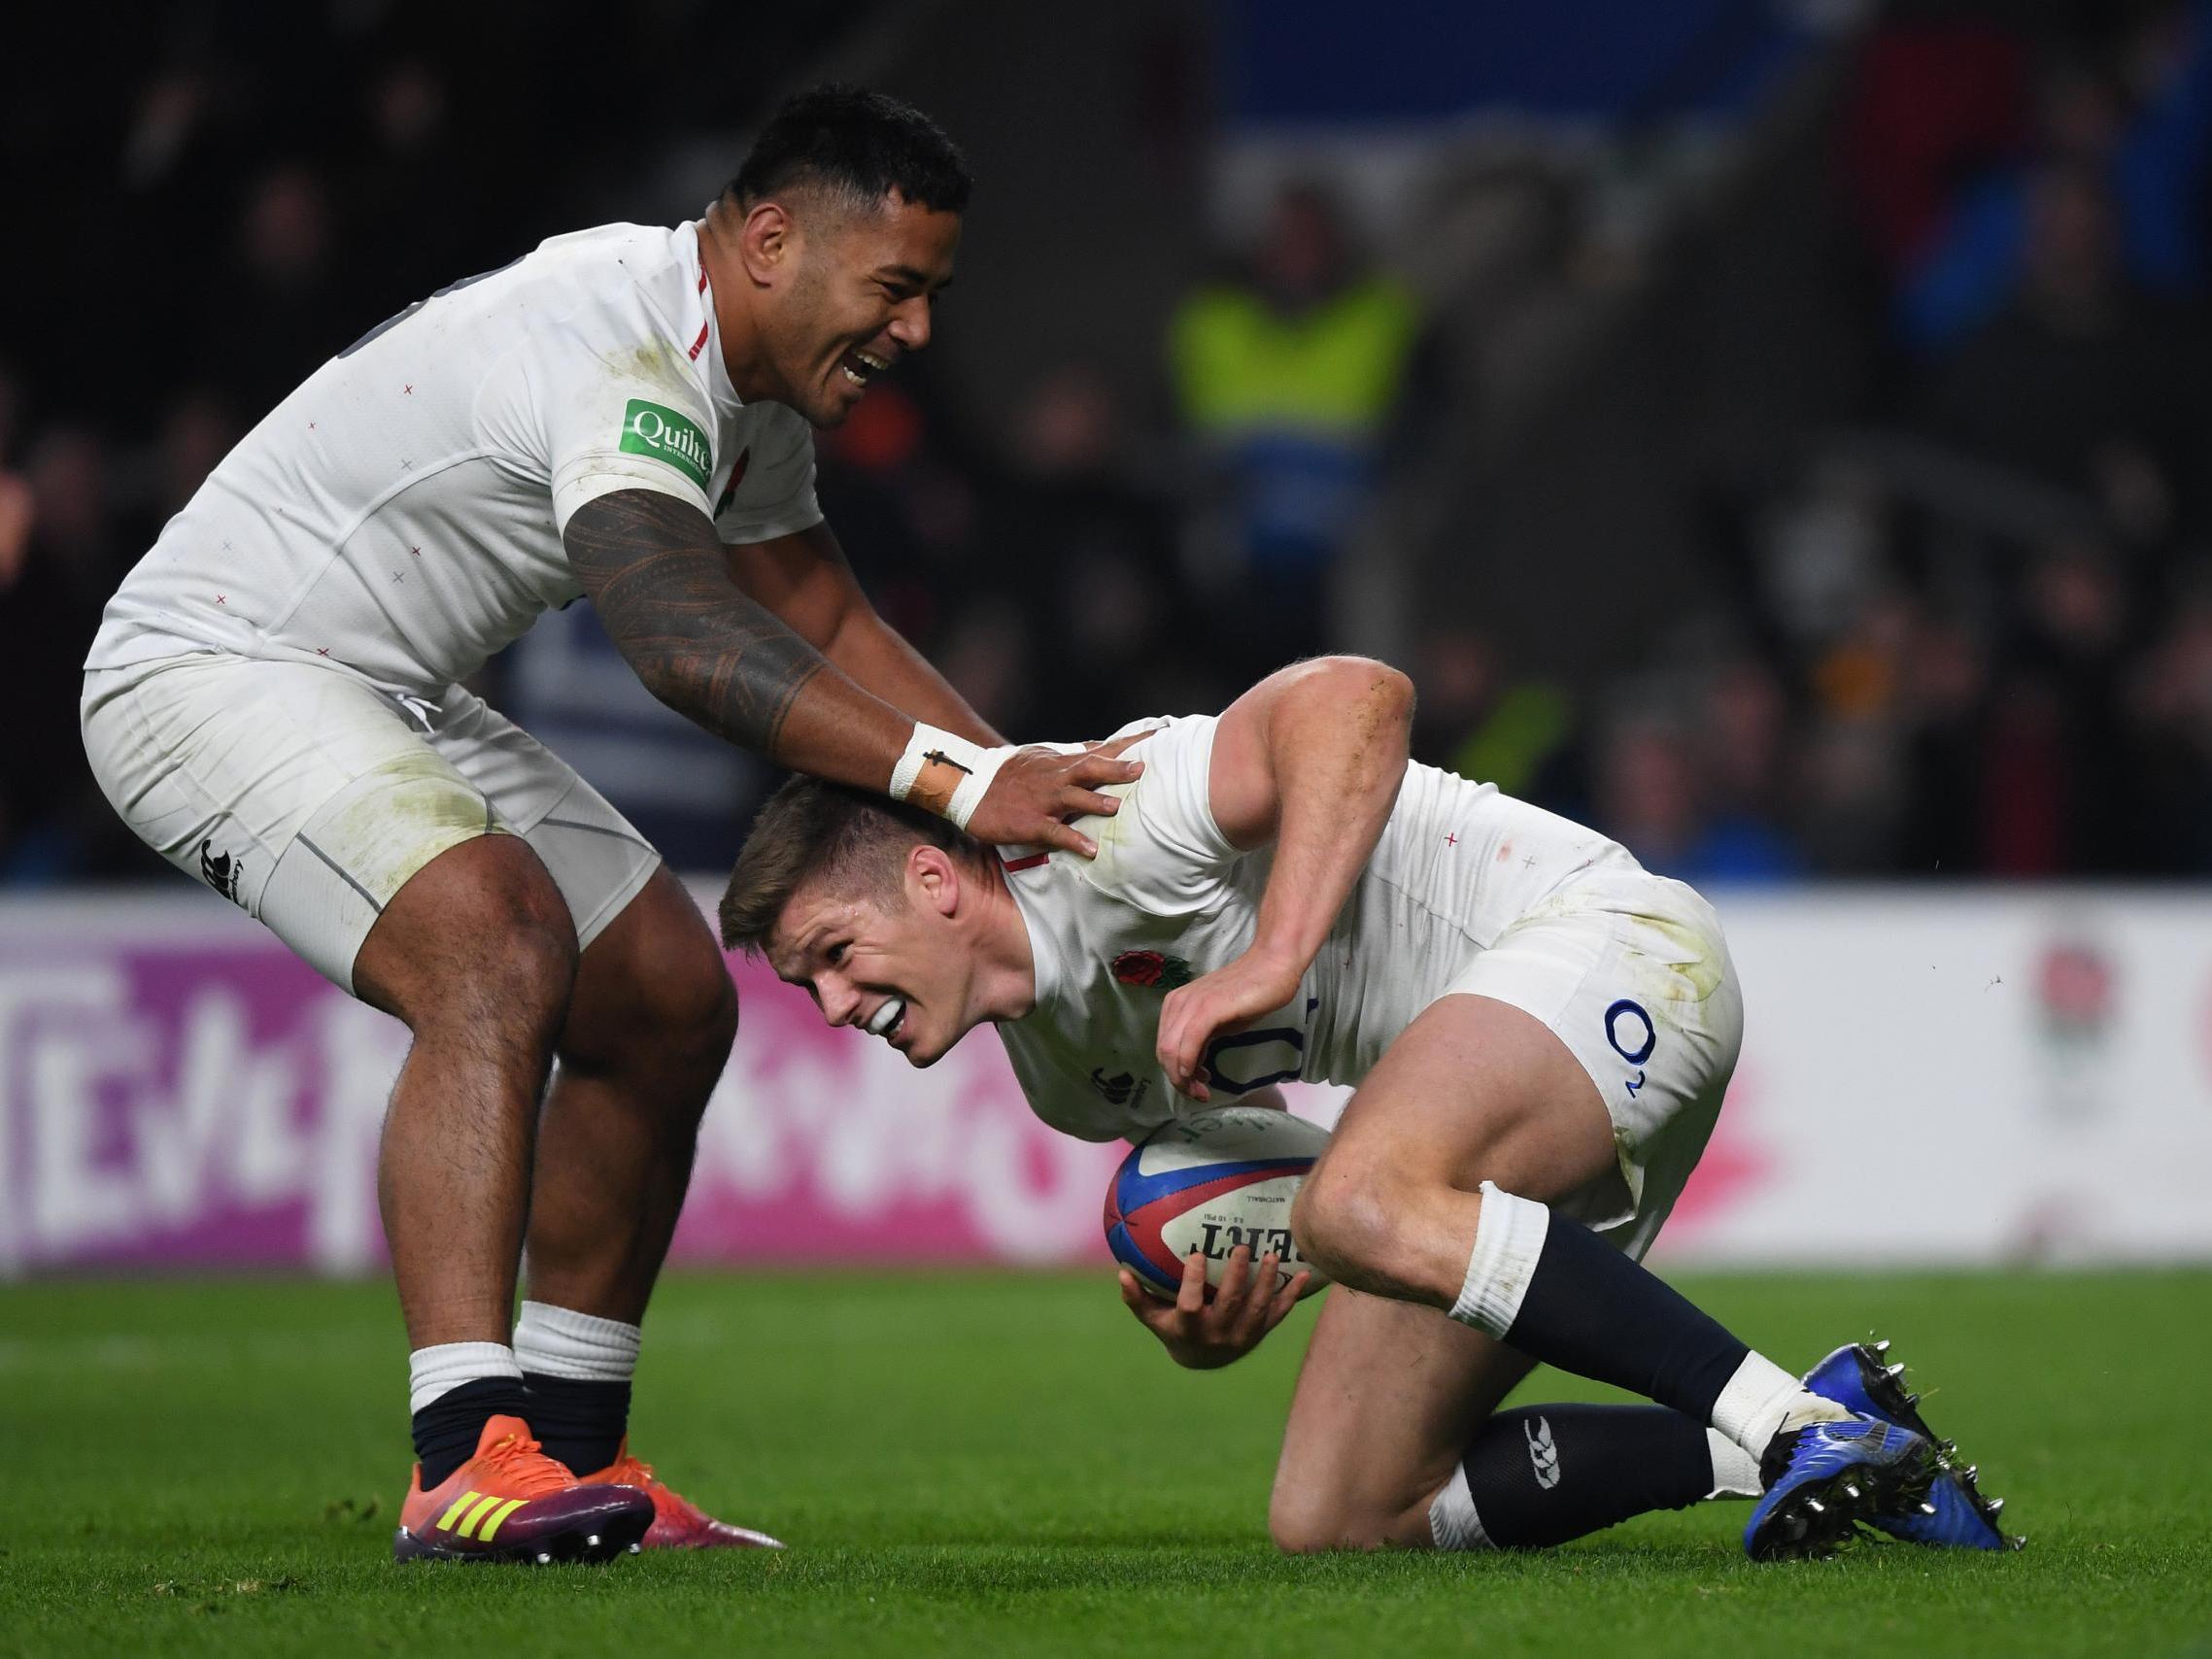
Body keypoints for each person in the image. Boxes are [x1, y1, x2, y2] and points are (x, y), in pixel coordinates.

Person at [78, 85, 1141, 1566]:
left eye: (929, 297)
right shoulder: (619, 336)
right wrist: (961, 786)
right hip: (209, 669)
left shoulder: (745, 381)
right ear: (769, 242)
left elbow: (820, 613)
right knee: (495, 942)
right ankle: (461, 1460)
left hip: (387, 688)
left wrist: (1043, 813)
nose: (914, 333)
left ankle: (581, 1466)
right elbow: (676, 634)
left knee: (659, 995)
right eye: (894, 289)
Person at [720, 656, 2015, 1559]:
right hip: (1515, 1100)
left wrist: (1276, 955)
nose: (833, 1008)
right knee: (1340, 1512)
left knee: (1364, 1201)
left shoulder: (1100, 821)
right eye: (805, 986)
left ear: (936, 881)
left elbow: (1356, 697)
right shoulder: (1063, 1082)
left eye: (835, 953)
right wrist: (1227, 1307)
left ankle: (1788, 1425)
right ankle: (1823, 1444)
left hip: (1613, 947)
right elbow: (1313, 1181)